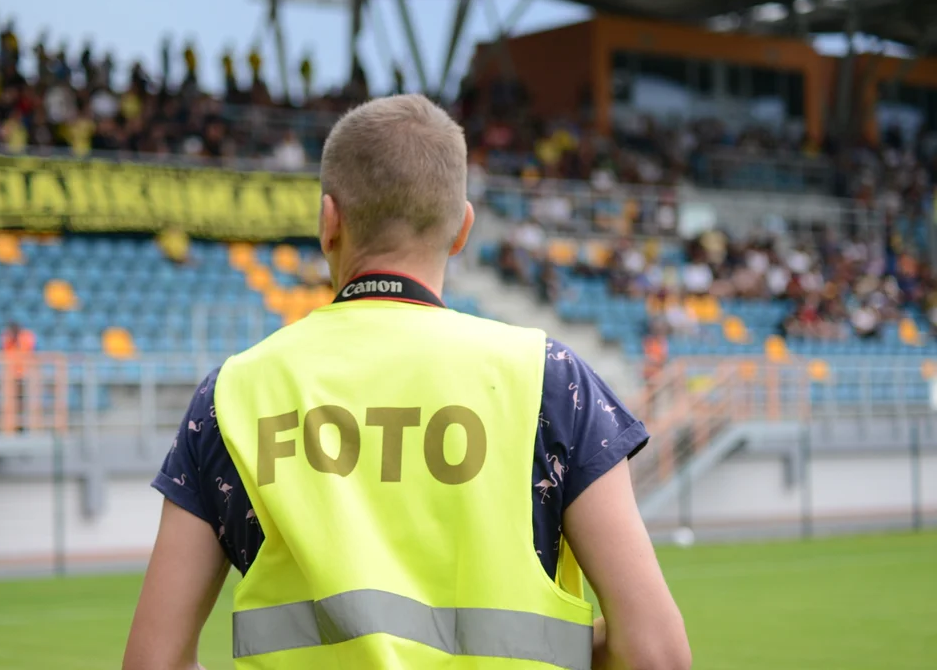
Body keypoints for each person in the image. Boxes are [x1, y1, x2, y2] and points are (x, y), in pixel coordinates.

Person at [124, 95, 690, 670]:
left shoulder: (231, 395)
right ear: (462, 228)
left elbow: (152, 662)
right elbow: (659, 654)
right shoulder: (551, 379)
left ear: (328, 220)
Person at [0, 322, 35, 433]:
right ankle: (11, 427)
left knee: (23, 402)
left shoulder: (26, 336)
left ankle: (23, 427)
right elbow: (5, 351)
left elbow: (29, 350)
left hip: (24, 375)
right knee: (11, 402)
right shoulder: (7, 337)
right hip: (11, 376)